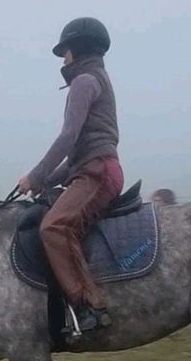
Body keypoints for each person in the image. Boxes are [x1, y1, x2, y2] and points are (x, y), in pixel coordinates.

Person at [18, 17, 123, 332]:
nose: (63, 58)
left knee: (54, 227)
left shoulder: (85, 81)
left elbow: (68, 138)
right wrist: (46, 182)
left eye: (65, 51)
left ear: (78, 48)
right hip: (92, 168)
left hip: (98, 172)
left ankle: (88, 307)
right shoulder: (95, 79)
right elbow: (77, 154)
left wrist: (35, 176)